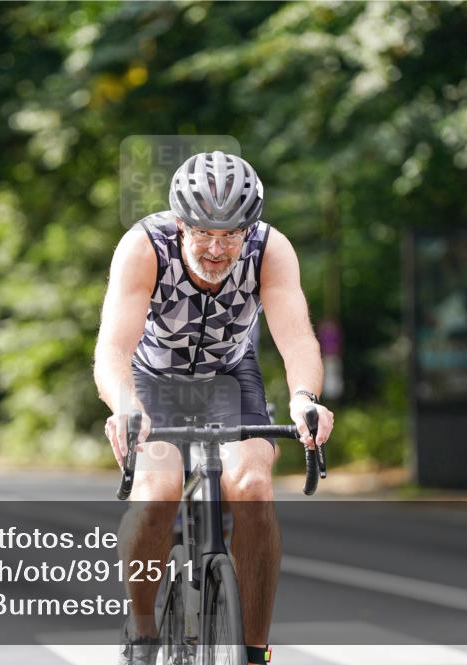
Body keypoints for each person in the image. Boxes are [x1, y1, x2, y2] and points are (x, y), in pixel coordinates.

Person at [94, 151, 335, 665]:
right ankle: (140, 636)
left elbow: (296, 339)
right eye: (204, 231)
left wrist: (304, 399)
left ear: (249, 227)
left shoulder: (271, 249)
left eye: (232, 233)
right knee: (158, 493)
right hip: (153, 379)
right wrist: (124, 405)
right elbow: (112, 348)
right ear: (180, 221)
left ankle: (254, 649)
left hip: (230, 376)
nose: (218, 247)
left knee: (251, 487)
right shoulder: (144, 246)